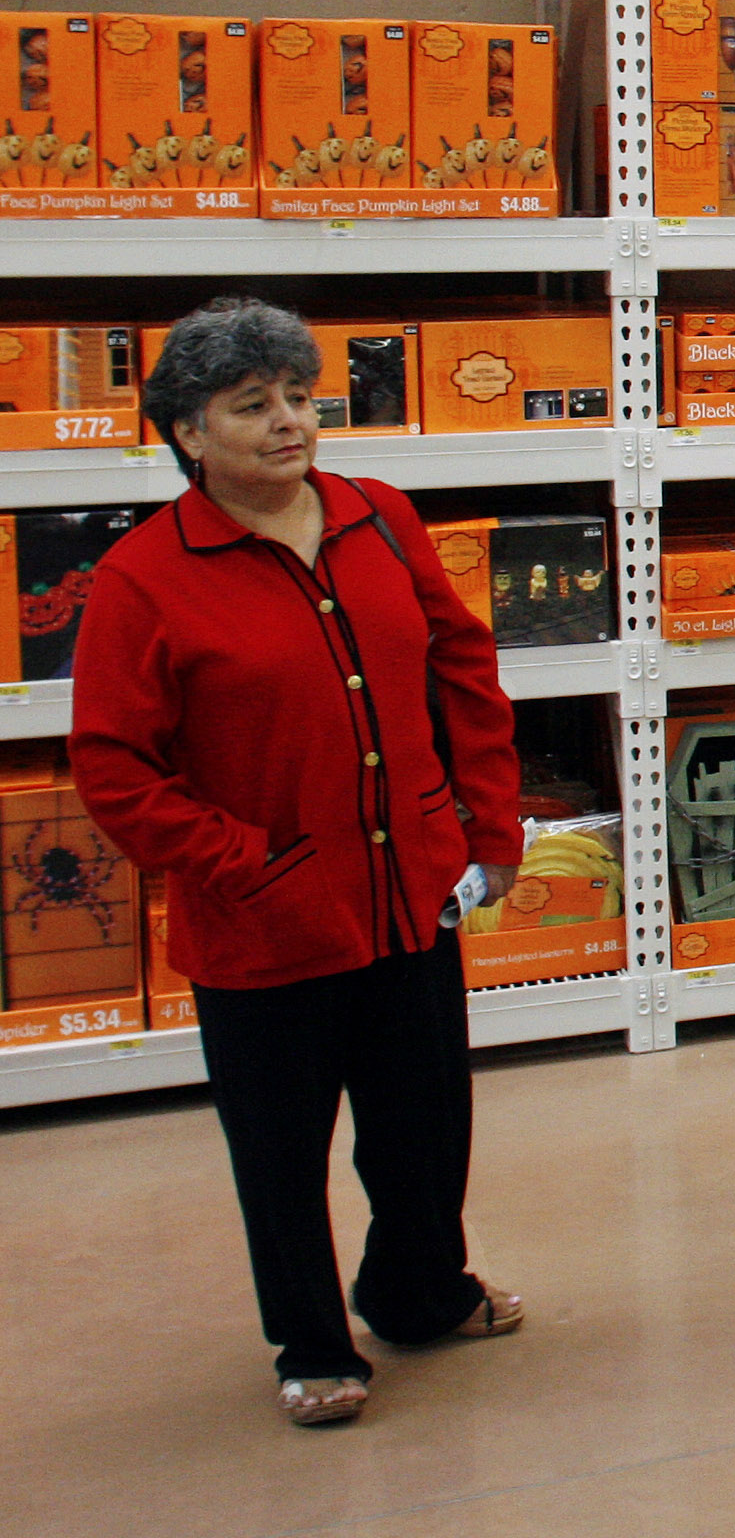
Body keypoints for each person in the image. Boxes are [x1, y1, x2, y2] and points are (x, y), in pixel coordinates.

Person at [69, 298, 527, 1428]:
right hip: (263, 923)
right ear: (186, 430)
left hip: (408, 893)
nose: (288, 422)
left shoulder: (380, 518)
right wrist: (245, 862)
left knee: (423, 1124)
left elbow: (461, 667)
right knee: (282, 1151)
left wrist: (487, 825)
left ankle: (421, 1293)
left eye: (298, 396)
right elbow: (115, 767)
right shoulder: (141, 577)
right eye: (252, 405)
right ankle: (314, 1343)